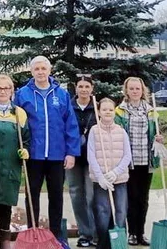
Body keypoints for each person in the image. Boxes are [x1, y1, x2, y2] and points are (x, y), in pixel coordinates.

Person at [14, 56, 79, 239]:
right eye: (37, 69)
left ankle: (56, 236)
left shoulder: (62, 94)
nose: (40, 72)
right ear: (32, 71)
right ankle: (33, 233)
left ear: (50, 71)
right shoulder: (23, 94)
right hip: (33, 155)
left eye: (44, 68)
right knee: (32, 195)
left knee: (56, 196)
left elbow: (71, 125)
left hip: (57, 155)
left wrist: (71, 152)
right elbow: (17, 124)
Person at [114, 77, 165, 247]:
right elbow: (116, 134)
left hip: (146, 161)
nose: (135, 91)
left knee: (143, 198)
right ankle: (132, 233)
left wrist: (158, 139)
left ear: (143, 91)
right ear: (126, 91)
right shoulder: (120, 112)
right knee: (131, 197)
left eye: (138, 88)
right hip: (128, 162)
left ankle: (141, 233)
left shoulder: (151, 111)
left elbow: (155, 134)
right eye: (132, 88)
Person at [0, 74, 29, 249]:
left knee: (5, 203)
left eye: (6, 88)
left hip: (10, 164)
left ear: (12, 91)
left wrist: (25, 150)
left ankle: (4, 238)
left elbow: (26, 139)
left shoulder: (19, 114)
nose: (2, 91)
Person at [87, 98, 130, 249]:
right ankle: (103, 243)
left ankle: (117, 243)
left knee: (120, 210)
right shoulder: (94, 131)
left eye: (110, 110)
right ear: (99, 112)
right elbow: (91, 155)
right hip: (102, 180)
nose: (107, 112)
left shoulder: (121, 131)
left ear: (115, 112)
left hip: (119, 179)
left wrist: (115, 173)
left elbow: (127, 156)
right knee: (102, 211)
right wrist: (100, 177)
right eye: (104, 109)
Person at [68, 75, 98, 247]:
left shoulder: (97, 107)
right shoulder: (69, 106)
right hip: (73, 157)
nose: (84, 89)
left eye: (87, 86)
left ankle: (95, 233)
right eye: (81, 86)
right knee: (76, 193)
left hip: (92, 158)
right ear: (76, 88)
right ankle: (84, 233)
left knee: (91, 195)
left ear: (92, 88)